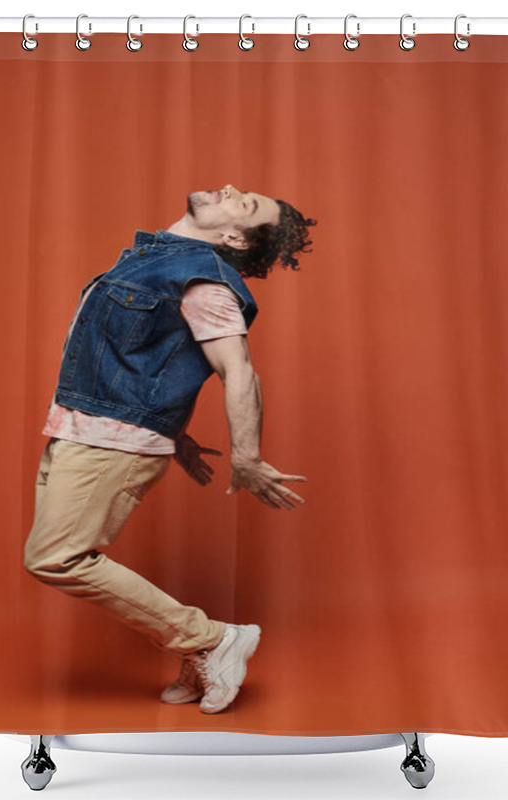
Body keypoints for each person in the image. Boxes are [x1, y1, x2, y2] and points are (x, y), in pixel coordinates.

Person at [23, 185, 317, 714]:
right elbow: (147, 356)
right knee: (57, 555)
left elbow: (238, 370)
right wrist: (174, 433)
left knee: (56, 558)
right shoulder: (155, 260)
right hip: (78, 429)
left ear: (231, 236)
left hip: (108, 441)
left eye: (245, 203)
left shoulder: (204, 281)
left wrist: (246, 458)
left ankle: (209, 639)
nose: (231, 188)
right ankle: (201, 653)